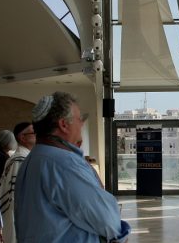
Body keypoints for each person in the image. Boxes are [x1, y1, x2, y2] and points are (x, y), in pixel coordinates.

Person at [15, 92, 130, 243]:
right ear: (63, 124)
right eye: (79, 119)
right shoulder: (63, 163)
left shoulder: (34, 158)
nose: (81, 124)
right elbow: (107, 219)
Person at [0, 122, 36, 243]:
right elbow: (13, 199)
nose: (37, 135)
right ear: (22, 137)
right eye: (33, 132)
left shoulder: (26, 157)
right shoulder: (19, 160)